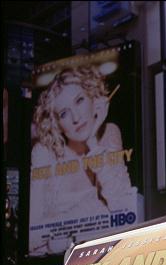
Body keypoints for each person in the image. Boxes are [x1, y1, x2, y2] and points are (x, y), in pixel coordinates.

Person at [29, 65, 136, 254]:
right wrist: (95, 215)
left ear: (93, 97)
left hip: (103, 259)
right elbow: (31, 237)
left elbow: (124, 209)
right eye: (63, 113)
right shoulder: (44, 152)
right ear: (57, 124)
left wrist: (93, 140)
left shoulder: (109, 133)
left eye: (79, 101)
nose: (76, 118)